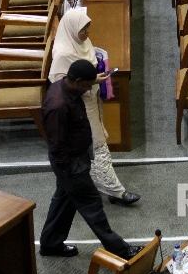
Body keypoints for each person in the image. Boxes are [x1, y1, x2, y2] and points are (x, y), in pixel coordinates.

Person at [39, 60, 143, 259]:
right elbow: (56, 144)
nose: (89, 89)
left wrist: (96, 79)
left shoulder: (65, 85)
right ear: (77, 81)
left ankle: (50, 244)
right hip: (70, 164)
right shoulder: (58, 105)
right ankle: (121, 251)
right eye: (87, 85)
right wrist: (69, 173)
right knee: (93, 206)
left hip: (75, 159)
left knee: (64, 202)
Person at [48, 9, 140, 206]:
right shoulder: (63, 54)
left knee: (93, 146)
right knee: (97, 146)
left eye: (88, 27)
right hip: (78, 108)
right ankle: (116, 191)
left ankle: (90, 186)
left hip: (91, 100)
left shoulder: (81, 43)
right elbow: (60, 86)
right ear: (73, 30)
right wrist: (93, 79)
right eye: (83, 29)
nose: (87, 32)